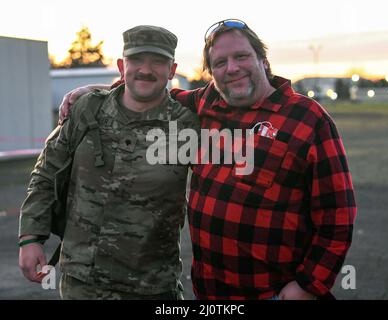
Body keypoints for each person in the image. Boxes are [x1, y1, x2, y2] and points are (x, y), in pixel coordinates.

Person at [59, 19, 357, 300]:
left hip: (274, 292)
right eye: (220, 63)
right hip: (211, 293)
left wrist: (306, 286)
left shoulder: (307, 118)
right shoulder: (205, 104)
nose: (232, 68)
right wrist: (96, 93)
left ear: (262, 61)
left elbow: (337, 214)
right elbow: (148, 90)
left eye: (241, 57)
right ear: (211, 74)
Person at [18, 25, 199, 300]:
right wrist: (31, 237)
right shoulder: (87, 109)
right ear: (121, 65)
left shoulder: (187, 127)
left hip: (152, 285)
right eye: (136, 60)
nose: (146, 69)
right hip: (82, 283)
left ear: (172, 70)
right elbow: (46, 173)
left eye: (158, 61)